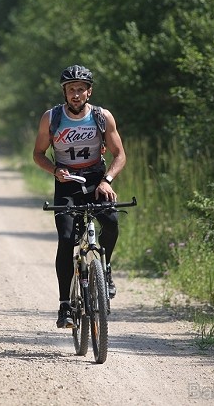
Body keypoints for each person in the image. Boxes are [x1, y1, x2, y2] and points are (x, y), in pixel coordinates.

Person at [33, 64, 127, 329]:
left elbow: (120, 154)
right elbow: (37, 154)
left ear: (89, 92)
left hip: (97, 180)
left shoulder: (102, 116)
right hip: (67, 183)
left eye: (81, 89)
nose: (76, 94)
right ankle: (65, 306)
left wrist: (108, 180)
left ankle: (105, 270)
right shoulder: (51, 118)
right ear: (64, 92)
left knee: (111, 222)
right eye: (71, 89)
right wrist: (54, 170)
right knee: (65, 239)